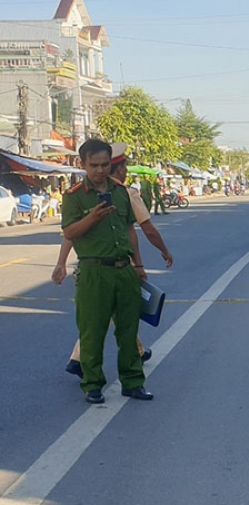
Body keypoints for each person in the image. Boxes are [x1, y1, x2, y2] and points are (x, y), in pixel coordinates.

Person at [55, 143, 173, 376]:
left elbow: (131, 231)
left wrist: (138, 265)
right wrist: (61, 263)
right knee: (94, 326)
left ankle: (132, 379)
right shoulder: (78, 196)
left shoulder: (122, 193)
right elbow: (71, 233)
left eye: (105, 165)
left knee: (126, 325)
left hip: (124, 268)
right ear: (84, 165)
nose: (100, 170)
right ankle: (90, 378)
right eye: (94, 165)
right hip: (95, 271)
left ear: (111, 166)